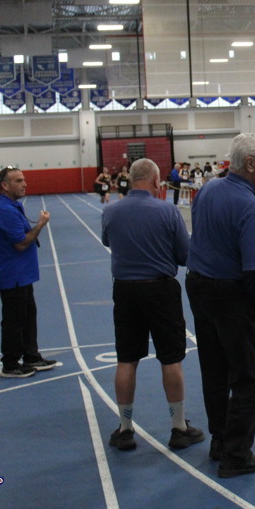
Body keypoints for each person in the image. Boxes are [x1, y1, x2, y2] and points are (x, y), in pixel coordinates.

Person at [101, 159, 204, 452]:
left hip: (125, 291)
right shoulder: (167, 211)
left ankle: (125, 429)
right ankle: (178, 427)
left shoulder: (111, 211)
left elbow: (107, 241)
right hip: (160, 291)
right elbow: (184, 255)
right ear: (157, 181)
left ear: (131, 179)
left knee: (126, 359)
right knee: (171, 359)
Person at [186, 133, 255, 478]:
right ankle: (236, 455)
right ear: (250, 163)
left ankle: (220, 441)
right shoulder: (250, 207)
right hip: (231, 295)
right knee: (246, 378)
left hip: (199, 288)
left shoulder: (208, 189)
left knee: (214, 372)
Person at [0, 166, 57, 378]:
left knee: (28, 318)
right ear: (5, 185)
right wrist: (41, 224)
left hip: (22, 275)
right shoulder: (5, 210)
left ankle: (31, 356)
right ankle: (10, 364)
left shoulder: (12, 206)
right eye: (18, 181)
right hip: (13, 276)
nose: (24, 184)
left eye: (24, 180)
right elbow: (20, 243)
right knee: (14, 321)